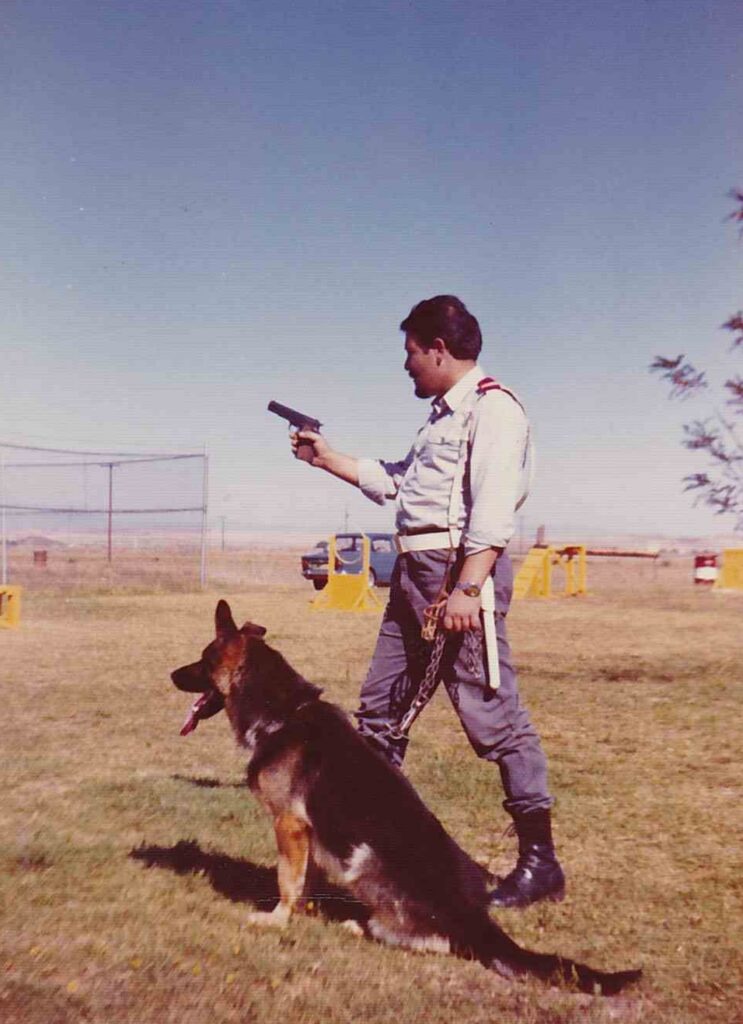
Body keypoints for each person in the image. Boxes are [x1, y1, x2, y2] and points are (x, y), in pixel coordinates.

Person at [291, 295, 565, 909]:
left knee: (493, 717)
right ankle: (369, 852)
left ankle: (541, 865)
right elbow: (398, 483)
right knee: (379, 715)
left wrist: (469, 588)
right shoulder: (440, 418)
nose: (407, 366)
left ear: (438, 350)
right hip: (414, 575)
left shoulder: (495, 410)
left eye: (411, 354)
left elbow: (493, 507)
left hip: (457, 576)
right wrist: (326, 457)